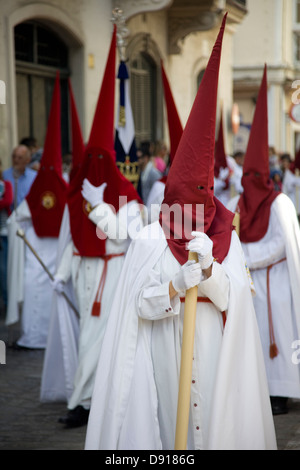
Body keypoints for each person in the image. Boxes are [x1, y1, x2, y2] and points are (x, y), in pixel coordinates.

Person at [85, 15, 277, 450]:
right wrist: (173, 286)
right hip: (164, 356)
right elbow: (137, 304)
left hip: (212, 352)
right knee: (170, 433)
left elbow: (236, 301)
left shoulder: (224, 234)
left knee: (211, 429)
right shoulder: (153, 237)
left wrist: (209, 269)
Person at [51, 26, 143, 429]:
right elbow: (71, 239)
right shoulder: (80, 195)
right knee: (92, 337)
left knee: (98, 340)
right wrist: (61, 273)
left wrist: (96, 206)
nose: (96, 169)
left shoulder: (130, 199)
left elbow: (122, 232)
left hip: (115, 272)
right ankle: (90, 401)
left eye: (102, 161)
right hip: (87, 274)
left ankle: (82, 403)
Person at [227, 65, 300, 416]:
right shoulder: (237, 203)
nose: (250, 183)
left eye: (256, 176)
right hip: (251, 283)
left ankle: (282, 393)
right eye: (247, 177)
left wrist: (246, 257)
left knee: (279, 336)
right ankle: (257, 392)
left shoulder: (280, 203)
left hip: (277, 283)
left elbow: (278, 245)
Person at [6, 72, 68, 349]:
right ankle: (39, 336)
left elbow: (18, 216)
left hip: (44, 250)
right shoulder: (59, 185)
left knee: (41, 290)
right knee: (40, 290)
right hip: (44, 250)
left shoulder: (46, 183)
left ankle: (38, 336)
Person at [3, 144, 36, 211]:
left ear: (28, 160)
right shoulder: (4, 175)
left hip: (27, 217)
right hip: (9, 217)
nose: (16, 160)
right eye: (14, 157)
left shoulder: (34, 176)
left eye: (20, 157)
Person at [0, 161, 13, 315]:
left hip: (3, 233)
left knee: (4, 271)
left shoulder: (6, 185)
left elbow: (8, 201)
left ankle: (8, 304)